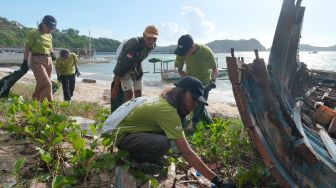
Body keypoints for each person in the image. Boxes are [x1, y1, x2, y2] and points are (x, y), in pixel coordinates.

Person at [104, 77, 236, 188]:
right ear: (182, 92)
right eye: (193, 98)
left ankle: (143, 153)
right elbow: (187, 152)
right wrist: (219, 181)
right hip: (121, 137)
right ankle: (133, 158)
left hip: (128, 132)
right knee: (163, 143)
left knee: (179, 128)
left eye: (198, 101)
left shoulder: (166, 100)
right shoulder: (168, 111)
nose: (195, 104)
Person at [174, 34, 218, 128]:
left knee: (199, 106)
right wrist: (189, 79)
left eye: (186, 51)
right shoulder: (181, 52)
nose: (184, 53)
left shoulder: (205, 51)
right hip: (190, 82)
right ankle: (211, 127)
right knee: (195, 106)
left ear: (192, 46)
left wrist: (213, 80)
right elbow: (180, 70)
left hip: (205, 83)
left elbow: (215, 70)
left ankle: (194, 125)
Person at [111, 25, 158, 110]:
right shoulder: (133, 44)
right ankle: (126, 112)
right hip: (124, 63)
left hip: (136, 64)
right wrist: (116, 87)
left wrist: (138, 71)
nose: (151, 41)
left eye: (154, 39)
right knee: (129, 93)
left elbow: (139, 58)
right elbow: (122, 65)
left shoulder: (153, 46)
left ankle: (136, 111)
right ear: (144, 35)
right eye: (149, 38)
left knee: (139, 92)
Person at [23, 15, 57, 102]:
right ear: (43, 24)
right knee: (47, 84)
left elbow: (50, 47)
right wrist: (25, 62)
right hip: (37, 60)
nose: (50, 29)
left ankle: (35, 100)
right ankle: (48, 107)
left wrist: (52, 54)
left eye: (52, 28)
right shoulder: (34, 33)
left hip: (48, 60)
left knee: (40, 84)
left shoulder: (49, 36)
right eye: (49, 27)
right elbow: (27, 48)